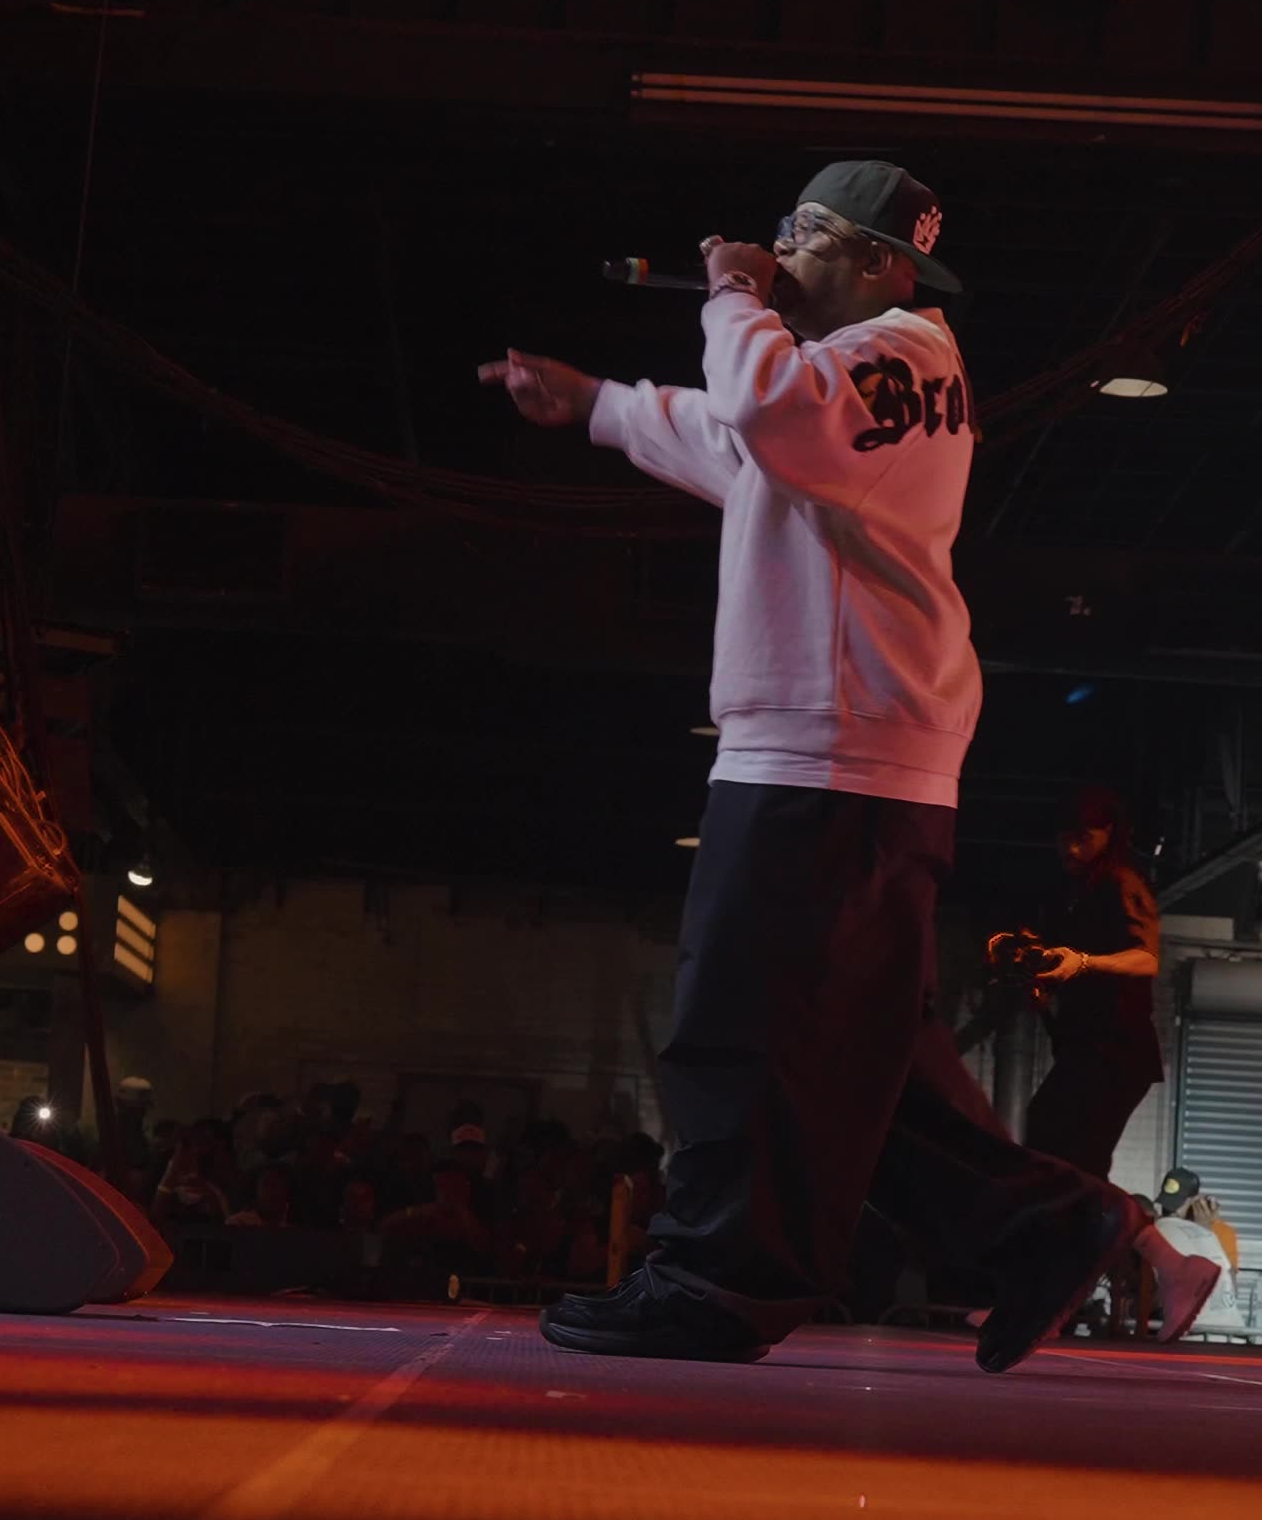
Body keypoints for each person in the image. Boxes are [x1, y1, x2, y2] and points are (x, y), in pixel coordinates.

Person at [485, 158, 1180, 1370]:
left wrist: (728, 292)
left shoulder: (891, 356)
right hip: (850, 747)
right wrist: (598, 402)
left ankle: (719, 1281)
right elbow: (742, 445)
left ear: (875, 262)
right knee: (856, 1060)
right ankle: (1048, 1229)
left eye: (800, 234)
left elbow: (761, 415)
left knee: (740, 1029)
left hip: (832, 748)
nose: (777, 251)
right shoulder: (862, 376)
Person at [1020, 786, 1164, 1177]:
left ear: (1109, 833)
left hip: (1116, 1048)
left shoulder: (1122, 883)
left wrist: (1082, 964)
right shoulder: (1076, 891)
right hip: (1089, 1044)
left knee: (1068, 1147)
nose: (1070, 849)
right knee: (1054, 1140)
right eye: (1064, 838)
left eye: (1083, 838)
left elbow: (1146, 959)